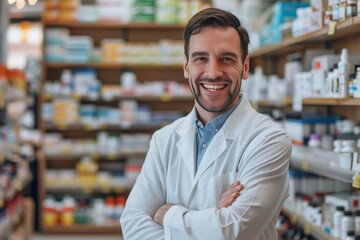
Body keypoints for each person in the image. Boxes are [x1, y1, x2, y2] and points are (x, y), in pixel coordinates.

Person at [120, 7, 291, 240]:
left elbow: (233, 231)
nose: (213, 72)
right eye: (201, 58)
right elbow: (132, 225)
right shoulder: (164, 140)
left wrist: (167, 214)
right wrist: (213, 219)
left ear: (246, 67)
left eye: (227, 59)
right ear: (186, 67)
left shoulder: (268, 140)